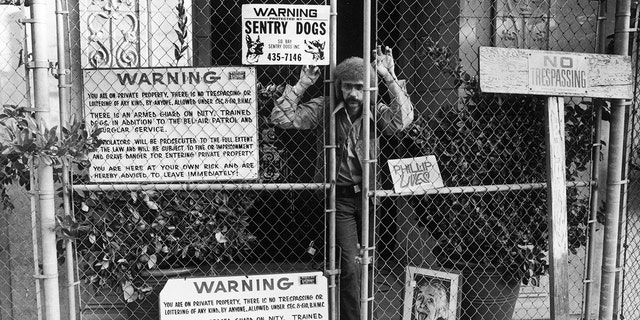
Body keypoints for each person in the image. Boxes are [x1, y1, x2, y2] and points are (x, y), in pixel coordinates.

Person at [270, 45, 413, 320]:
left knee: (366, 262)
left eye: (360, 87)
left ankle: (363, 310)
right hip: (341, 199)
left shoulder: (374, 109)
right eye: (347, 87)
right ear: (339, 86)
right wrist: (302, 84)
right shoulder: (326, 108)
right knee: (349, 263)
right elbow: (281, 117)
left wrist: (389, 76)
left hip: (369, 198)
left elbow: (403, 120)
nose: (353, 94)